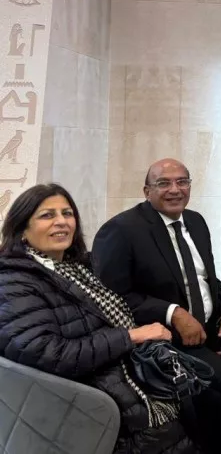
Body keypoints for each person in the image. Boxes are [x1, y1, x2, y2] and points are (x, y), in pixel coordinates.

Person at [92, 159, 221, 454]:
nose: (175, 189)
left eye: (182, 181)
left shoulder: (196, 222)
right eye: (164, 183)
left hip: (207, 327)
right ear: (147, 191)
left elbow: (208, 280)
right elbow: (112, 296)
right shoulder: (121, 230)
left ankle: (206, 423)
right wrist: (173, 313)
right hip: (163, 337)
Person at [0, 184, 198, 454]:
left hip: (110, 375)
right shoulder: (14, 282)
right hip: (83, 399)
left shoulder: (77, 268)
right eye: (47, 215)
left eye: (67, 213)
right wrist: (131, 336)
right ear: (22, 229)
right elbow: (48, 354)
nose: (62, 222)